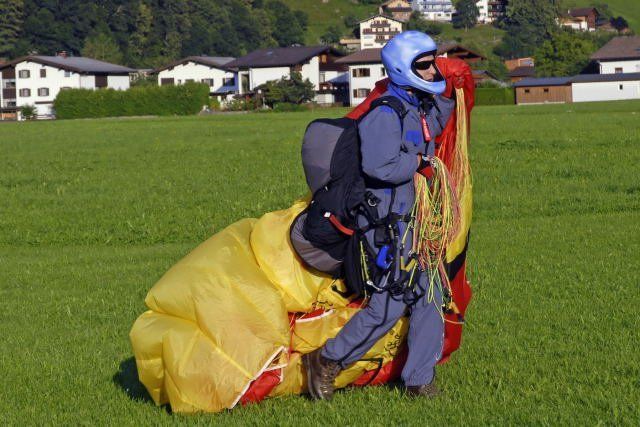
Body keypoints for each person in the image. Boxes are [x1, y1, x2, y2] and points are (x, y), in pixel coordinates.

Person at [303, 31, 457, 400]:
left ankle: (418, 380)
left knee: (429, 295)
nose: (432, 70)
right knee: (391, 301)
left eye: (433, 63)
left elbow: (432, 127)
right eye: (425, 65)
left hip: (412, 221)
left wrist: (449, 89)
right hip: (388, 225)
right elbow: (379, 167)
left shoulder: (414, 106)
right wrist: (418, 163)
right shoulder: (385, 114)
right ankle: (326, 360)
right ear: (404, 68)